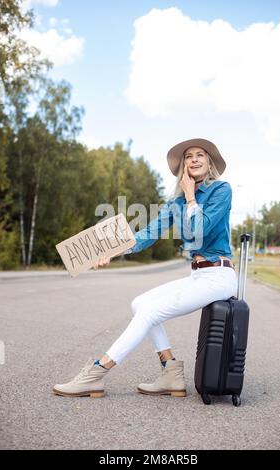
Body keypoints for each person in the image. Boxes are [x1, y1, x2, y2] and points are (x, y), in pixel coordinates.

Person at [52, 138, 238, 398]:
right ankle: (171, 372)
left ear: (209, 163)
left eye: (200, 155)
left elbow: (201, 230)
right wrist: (111, 251)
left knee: (150, 312)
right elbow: (148, 234)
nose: (194, 160)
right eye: (189, 156)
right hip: (198, 275)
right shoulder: (175, 203)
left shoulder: (221, 190)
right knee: (140, 303)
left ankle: (96, 373)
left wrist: (189, 196)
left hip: (219, 276)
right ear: (183, 165)